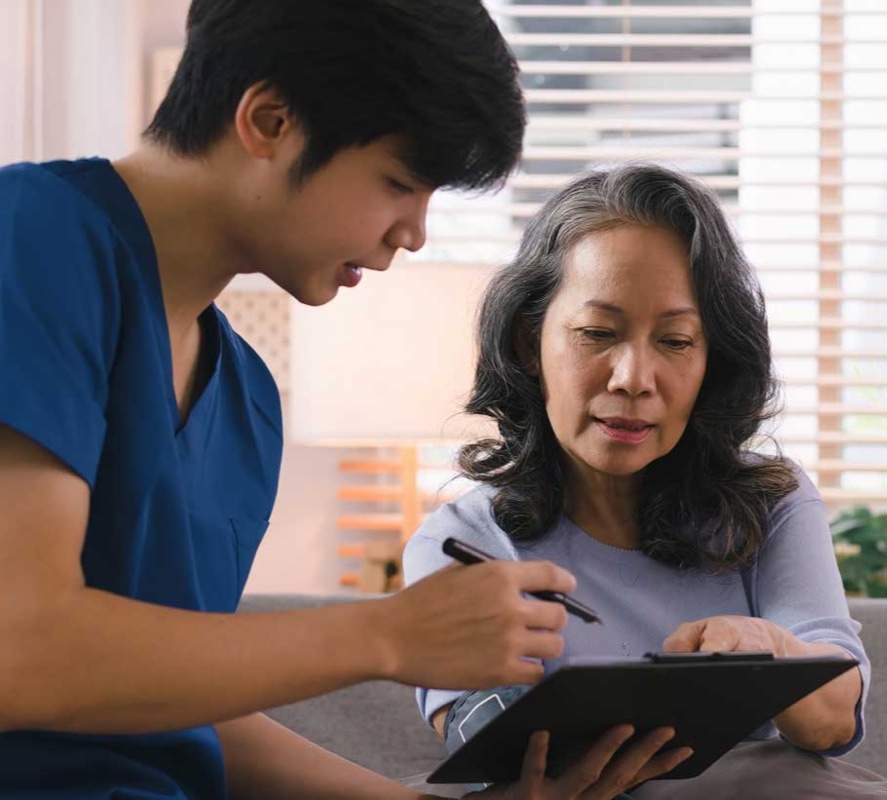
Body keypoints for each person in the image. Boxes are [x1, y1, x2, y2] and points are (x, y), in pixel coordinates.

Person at [0, 2, 687, 798]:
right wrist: (389, 634)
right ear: (269, 121)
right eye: (399, 182)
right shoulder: (34, 237)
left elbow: (171, 703)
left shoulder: (247, 399)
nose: (414, 233)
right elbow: (25, 652)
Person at [403, 164, 887, 799]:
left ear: (712, 360)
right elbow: (486, 742)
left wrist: (765, 647)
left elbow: (830, 721)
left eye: (677, 341)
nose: (634, 377)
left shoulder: (771, 501)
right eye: (597, 334)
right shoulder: (461, 541)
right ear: (529, 341)